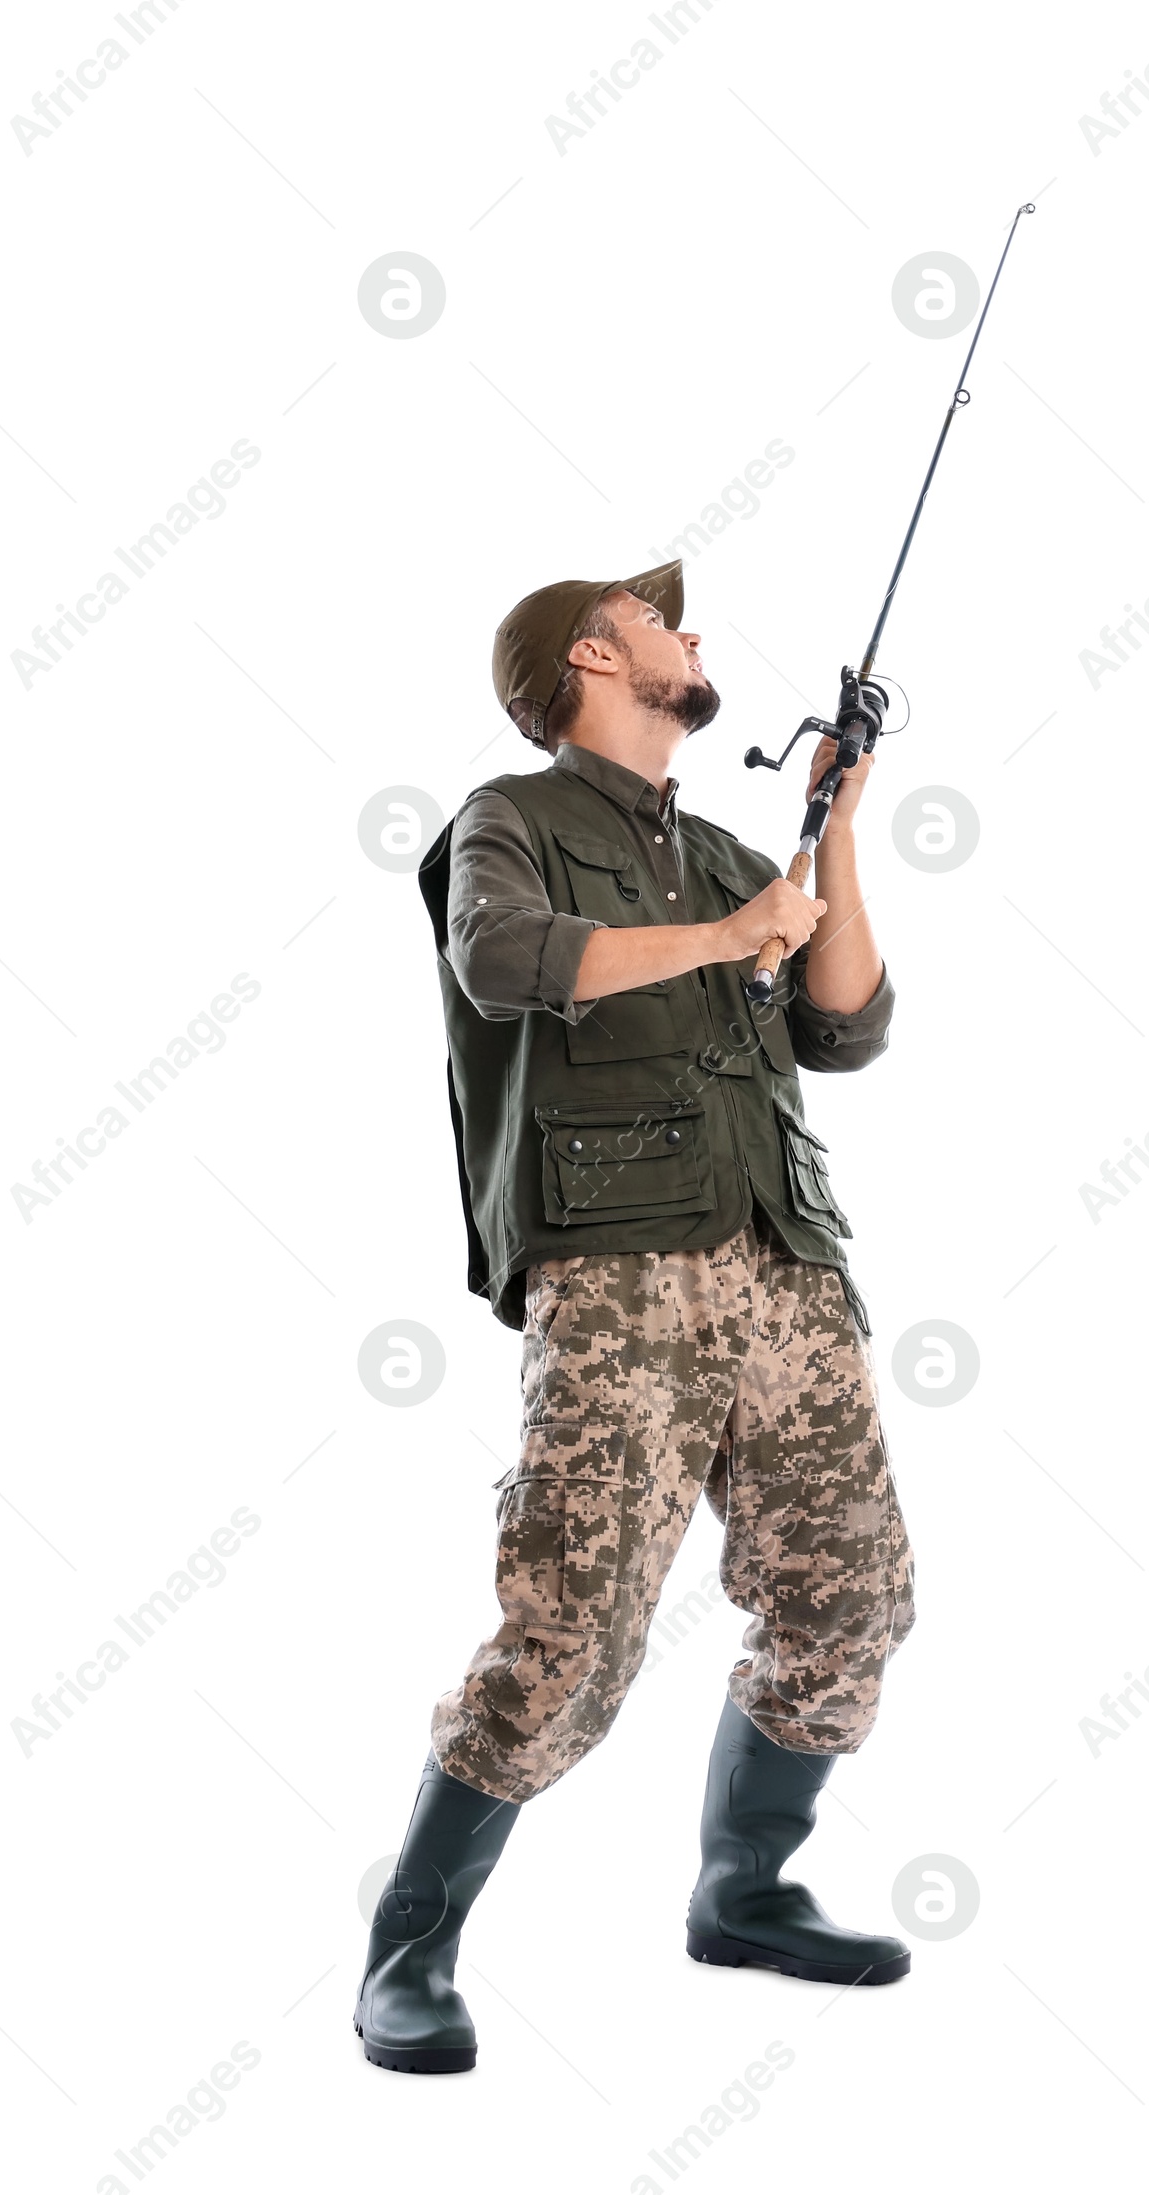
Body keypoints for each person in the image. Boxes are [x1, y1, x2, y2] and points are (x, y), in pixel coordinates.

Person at [354, 560, 915, 2073]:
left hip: (780, 1258)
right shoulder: (511, 822)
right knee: (575, 1634)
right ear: (595, 656)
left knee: (853, 1594)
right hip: (619, 1271)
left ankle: (746, 1890)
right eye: (663, 620)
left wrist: (835, 838)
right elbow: (505, 959)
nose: (696, 635)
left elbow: (845, 1025)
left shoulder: (732, 850)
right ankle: (408, 1950)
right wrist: (735, 939)